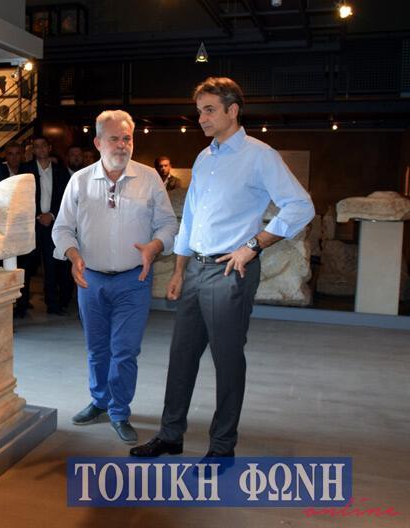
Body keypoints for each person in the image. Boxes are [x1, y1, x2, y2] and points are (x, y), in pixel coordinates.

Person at [131, 77, 314, 459]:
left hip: (231, 271)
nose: (201, 118)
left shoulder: (260, 155)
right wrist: (179, 271)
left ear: (233, 110)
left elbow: (301, 206)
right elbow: (191, 219)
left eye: (209, 110)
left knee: (227, 362)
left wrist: (253, 246)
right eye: (199, 111)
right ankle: (171, 435)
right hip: (195, 270)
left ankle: (222, 446)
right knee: (181, 356)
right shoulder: (204, 158)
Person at [53, 110, 178, 444]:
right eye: (114, 139)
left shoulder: (149, 178)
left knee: (124, 350)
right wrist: (73, 255)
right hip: (90, 279)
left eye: (127, 138)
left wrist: (154, 246)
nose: (122, 145)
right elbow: (62, 228)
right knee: (97, 349)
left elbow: (168, 224)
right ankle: (100, 401)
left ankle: (119, 411)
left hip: (133, 280)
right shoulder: (80, 181)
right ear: (98, 142)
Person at [20, 136, 73, 317]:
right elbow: (22, 197)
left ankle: (52, 304)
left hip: (52, 224)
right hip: (32, 225)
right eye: (37, 146)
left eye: (44, 146)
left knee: (52, 265)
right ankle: (22, 305)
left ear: (49, 148)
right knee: (27, 265)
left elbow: (65, 198)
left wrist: (51, 215)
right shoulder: (25, 170)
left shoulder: (60, 171)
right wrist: (37, 215)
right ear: (33, 150)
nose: (41, 149)